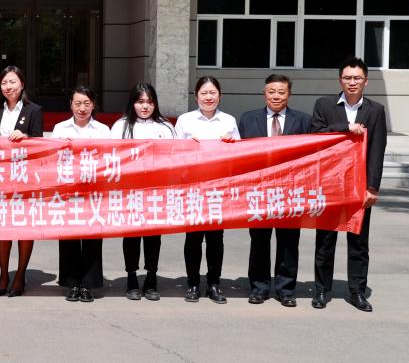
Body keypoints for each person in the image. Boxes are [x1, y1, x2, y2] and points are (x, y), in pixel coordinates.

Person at [311, 56, 386, 313]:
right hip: (330, 184)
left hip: (359, 185)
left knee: (358, 242)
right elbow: (316, 135)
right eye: (347, 78)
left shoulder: (375, 110)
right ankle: (322, 290)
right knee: (325, 240)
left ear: (366, 81)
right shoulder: (324, 105)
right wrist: (346, 127)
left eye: (357, 78)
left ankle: (357, 292)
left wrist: (372, 187)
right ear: (340, 80)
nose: (352, 82)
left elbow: (377, 149)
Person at [238, 74, 311, 308]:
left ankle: (286, 290)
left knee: (288, 242)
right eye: (271, 92)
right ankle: (258, 288)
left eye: (281, 92)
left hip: (290, 191)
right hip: (259, 191)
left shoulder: (304, 121)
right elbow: (238, 154)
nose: (276, 96)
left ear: (289, 94)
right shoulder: (248, 119)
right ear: (264, 94)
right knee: (259, 241)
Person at [175, 76, 240, 305]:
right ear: (196, 97)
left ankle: (214, 284)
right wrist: (186, 146)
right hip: (193, 187)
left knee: (215, 239)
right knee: (193, 238)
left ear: (220, 96)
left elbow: (240, 154)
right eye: (204, 93)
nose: (208, 97)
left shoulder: (229, 120)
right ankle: (193, 283)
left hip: (218, 188)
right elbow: (173, 154)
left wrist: (232, 143)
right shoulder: (185, 120)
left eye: (213, 93)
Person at [110, 83, 176, 301]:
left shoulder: (165, 127)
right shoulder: (120, 126)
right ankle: (131, 277)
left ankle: (151, 277)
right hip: (129, 190)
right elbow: (112, 158)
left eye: (149, 102)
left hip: (156, 190)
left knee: (153, 235)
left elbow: (174, 157)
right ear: (132, 103)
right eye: (140, 102)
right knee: (131, 235)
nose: (145, 106)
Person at [51, 85, 111, 303]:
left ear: (93, 105)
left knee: (92, 237)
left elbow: (110, 158)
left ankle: (88, 284)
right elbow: (52, 158)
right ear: (71, 105)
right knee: (69, 237)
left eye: (86, 103)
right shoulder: (60, 128)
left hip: (94, 191)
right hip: (68, 191)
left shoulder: (103, 131)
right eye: (78, 103)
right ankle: (72, 283)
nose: (82, 108)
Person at [0, 65, 43, 297]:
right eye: (4, 83)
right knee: (3, 226)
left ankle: (20, 275)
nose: (8, 87)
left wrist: (26, 137)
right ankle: (4, 274)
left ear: (22, 84)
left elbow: (40, 144)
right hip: (1, 176)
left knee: (24, 227)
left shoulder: (34, 110)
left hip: (25, 176)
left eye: (12, 82)